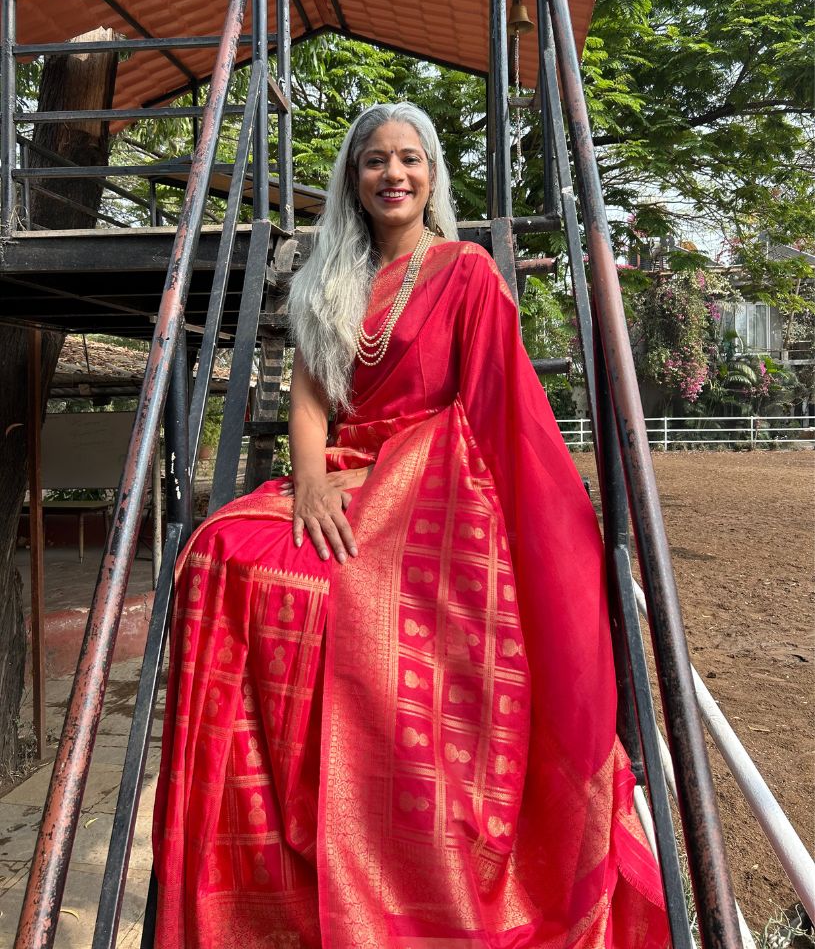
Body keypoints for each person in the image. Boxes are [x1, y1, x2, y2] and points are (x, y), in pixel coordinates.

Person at [151, 102, 668, 948]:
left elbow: (489, 408)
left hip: (434, 477)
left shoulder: (465, 271)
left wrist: (394, 476)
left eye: (409, 158)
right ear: (353, 180)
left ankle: (369, 829)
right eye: (374, 160)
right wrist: (310, 482)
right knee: (218, 549)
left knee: (338, 590)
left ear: (431, 175)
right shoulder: (329, 274)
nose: (392, 173)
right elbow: (309, 397)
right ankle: (266, 839)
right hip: (342, 466)